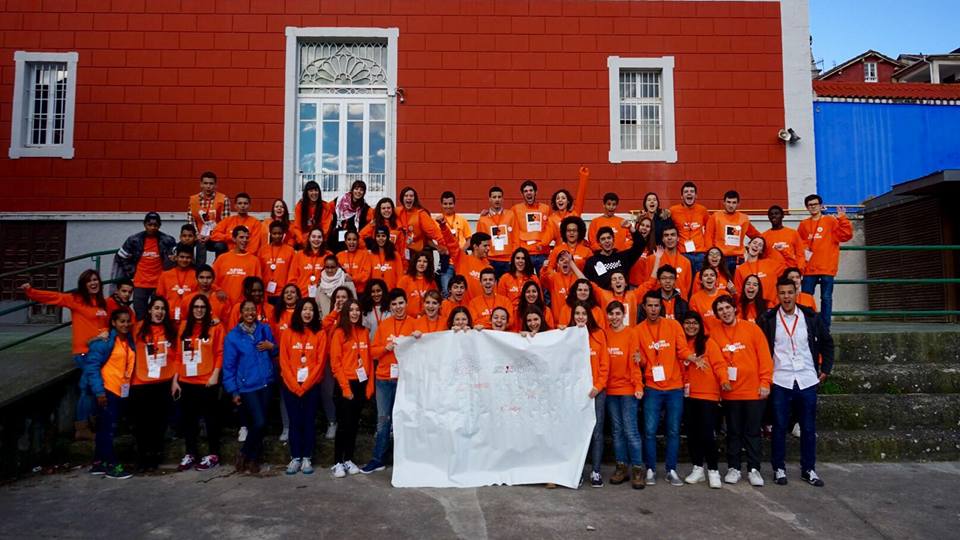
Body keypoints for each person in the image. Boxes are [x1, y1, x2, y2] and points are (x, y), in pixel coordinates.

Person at [758, 277, 834, 487]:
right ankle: (778, 468)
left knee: (808, 428)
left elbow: (827, 343)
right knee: (780, 426)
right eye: (782, 293)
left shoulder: (810, 317)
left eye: (790, 292)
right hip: (781, 379)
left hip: (806, 378)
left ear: (796, 293)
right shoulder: (768, 319)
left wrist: (826, 369)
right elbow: (761, 349)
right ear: (777, 295)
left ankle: (808, 469)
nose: (786, 297)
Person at [21, 270, 110, 440]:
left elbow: (105, 325)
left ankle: (90, 423)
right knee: (88, 389)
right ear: (83, 284)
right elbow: (53, 297)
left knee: (91, 386)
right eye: (89, 281)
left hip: (99, 352)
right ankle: (83, 426)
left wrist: (104, 333)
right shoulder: (75, 299)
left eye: (96, 280)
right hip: (84, 353)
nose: (93, 283)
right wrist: (31, 291)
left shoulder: (101, 303)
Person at [709, 295, 773, 487]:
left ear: (734, 308)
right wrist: (722, 381)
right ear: (716, 314)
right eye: (720, 310)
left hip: (753, 391)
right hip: (730, 393)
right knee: (734, 432)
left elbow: (764, 357)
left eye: (727, 307)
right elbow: (716, 362)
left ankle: (754, 469)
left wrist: (765, 382)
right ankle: (734, 467)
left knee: (753, 432)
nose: (725, 312)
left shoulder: (752, 329)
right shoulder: (714, 333)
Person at [634, 292, 695, 487]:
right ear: (644, 307)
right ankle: (650, 468)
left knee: (673, 430)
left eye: (656, 306)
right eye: (650, 306)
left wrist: (692, 357)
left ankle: (671, 469)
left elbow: (682, 349)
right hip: (652, 386)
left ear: (662, 307)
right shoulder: (638, 330)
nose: (653, 309)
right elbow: (642, 361)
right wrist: (639, 360)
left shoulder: (674, 325)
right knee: (650, 431)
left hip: (674, 387)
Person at [363, 289, 418, 474]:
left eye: (401, 303)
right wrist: (385, 348)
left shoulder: (414, 324)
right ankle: (378, 459)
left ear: (406, 303)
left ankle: (408, 460)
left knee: (407, 419)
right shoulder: (384, 325)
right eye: (394, 304)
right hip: (384, 379)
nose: (398, 307)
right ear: (390, 307)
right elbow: (373, 352)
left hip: (406, 379)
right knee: (383, 420)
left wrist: (419, 338)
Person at [222, 299, 277, 474]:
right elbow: (229, 366)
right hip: (247, 386)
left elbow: (276, 351)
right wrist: (233, 390)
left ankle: (254, 459)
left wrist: (271, 346)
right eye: (246, 310)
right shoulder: (233, 336)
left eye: (253, 309)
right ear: (241, 313)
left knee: (261, 423)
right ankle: (244, 452)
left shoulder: (264, 329)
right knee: (258, 422)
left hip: (266, 382)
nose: (250, 313)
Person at [81, 308, 136, 479]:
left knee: (105, 427)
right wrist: (99, 391)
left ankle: (99, 462)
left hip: (121, 390)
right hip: (107, 391)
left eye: (128, 321)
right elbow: (92, 368)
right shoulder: (104, 342)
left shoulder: (128, 341)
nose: (125, 324)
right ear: (113, 322)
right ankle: (112, 465)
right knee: (108, 429)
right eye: (122, 321)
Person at [173, 294, 224, 472]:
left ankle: (213, 454)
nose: (199, 310)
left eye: (203, 307)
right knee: (189, 420)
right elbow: (178, 355)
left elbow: (219, 352)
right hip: (186, 380)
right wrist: (175, 380)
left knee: (211, 419)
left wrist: (215, 375)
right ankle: (191, 453)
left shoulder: (215, 327)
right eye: (196, 307)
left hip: (207, 380)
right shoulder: (184, 327)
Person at [279, 298, 328, 475]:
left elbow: (320, 362)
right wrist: (294, 385)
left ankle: (307, 457)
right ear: (298, 312)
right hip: (290, 385)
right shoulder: (288, 333)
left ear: (315, 313)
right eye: (304, 309)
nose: (307, 313)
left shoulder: (320, 333)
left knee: (308, 421)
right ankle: (295, 457)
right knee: (294, 421)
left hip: (311, 385)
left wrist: (305, 385)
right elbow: (284, 361)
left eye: (311, 310)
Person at [131, 296, 179, 472]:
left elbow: (177, 357)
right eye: (156, 308)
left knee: (159, 422)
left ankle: (155, 455)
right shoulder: (137, 328)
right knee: (143, 423)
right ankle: (142, 456)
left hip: (164, 382)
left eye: (163, 309)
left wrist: (175, 380)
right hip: (141, 382)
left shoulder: (172, 330)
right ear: (150, 310)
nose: (160, 312)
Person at [679, 311, 726, 488]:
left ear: (700, 325)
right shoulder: (681, 345)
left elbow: (719, 365)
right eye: (687, 323)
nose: (691, 326)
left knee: (707, 434)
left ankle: (713, 470)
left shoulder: (708, 343)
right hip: (688, 395)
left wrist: (724, 381)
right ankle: (698, 468)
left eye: (694, 323)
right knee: (692, 434)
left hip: (708, 396)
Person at [330, 298, 375, 477]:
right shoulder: (339, 333)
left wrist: (369, 386)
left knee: (354, 425)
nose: (355, 313)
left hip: (360, 384)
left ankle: (348, 459)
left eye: (357, 310)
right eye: (351, 310)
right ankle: (337, 462)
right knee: (343, 425)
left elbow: (369, 359)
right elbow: (335, 363)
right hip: (345, 384)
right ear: (346, 313)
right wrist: (345, 389)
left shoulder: (364, 331)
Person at [603, 301, 645, 490]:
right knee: (617, 431)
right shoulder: (604, 333)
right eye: (611, 314)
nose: (614, 317)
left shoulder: (631, 333)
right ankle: (621, 466)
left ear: (623, 314)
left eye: (617, 313)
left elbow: (635, 361)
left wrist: (638, 385)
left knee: (631, 431)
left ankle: (637, 468)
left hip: (628, 389)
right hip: (610, 390)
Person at [569, 302, 610, 488]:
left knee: (597, 432)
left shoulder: (599, 334)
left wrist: (598, 386)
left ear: (589, 316)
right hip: (576, 393)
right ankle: (577, 471)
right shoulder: (567, 335)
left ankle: (596, 471)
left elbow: (604, 364)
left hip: (596, 392)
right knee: (576, 431)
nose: (580, 317)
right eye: (577, 313)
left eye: (583, 313)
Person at [798, 195, 853, 328]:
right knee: (806, 298)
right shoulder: (803, 224)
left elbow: (846, 235)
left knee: (826, 298)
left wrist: (842, 218)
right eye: (810, 205)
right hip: (809, 268)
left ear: (821, 205)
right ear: (806, 207)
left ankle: (825, 327)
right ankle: (808, 325)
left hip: (827, 267)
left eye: (815, 204)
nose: (813, 207)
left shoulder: (830, 221)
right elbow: (799, 245)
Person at [114, 211, 176, 318]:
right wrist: (132, 272)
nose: (152, 227)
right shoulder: (134, 240)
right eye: (149, 225)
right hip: (140, 283)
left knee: (158, 315)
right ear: (144, 225)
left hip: (159, 284)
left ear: (159, 225)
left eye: (155, 225)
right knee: (140, 314)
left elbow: (176, 259)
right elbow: (121, 256)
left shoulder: (168, 240)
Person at [704, 190, 761, 276]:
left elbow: (756, 235)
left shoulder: (744, 219)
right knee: (722, 284)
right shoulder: (715, 217)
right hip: (721, 258)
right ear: (724, 202)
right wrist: (711, 256)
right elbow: (708, 237)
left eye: (734, 203)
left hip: (738, 259)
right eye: (728, 202)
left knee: (738, 285)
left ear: (738, 204)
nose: (731, 205)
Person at [583, 225, 648, 290]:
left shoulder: (623, 257)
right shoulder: (592, 262)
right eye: (603, 239)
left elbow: (641, 244)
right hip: (603, 298)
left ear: (613, 240)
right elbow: (587, 284)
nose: (607, 241)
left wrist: (630, 228)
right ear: (599, 243)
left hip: (623, 298)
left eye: (609, 238)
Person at [439, 225, 492, 301]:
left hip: (479, 310)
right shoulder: (461, 259)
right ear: (475, 246)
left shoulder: (489, 268)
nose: (488, 248)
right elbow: (451, 243)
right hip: (463, 309)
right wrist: (443, 226)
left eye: (489, 246)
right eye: (485, 246)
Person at [639, 226, 692, 299]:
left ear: (678, 238)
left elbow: (687, 287)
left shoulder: (686, 262)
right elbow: (647, 284)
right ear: (663, 239)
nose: (669, 238)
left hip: (679, 304)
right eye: (666, 235)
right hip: (658, 305)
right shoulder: (652, 259)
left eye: (672, 235)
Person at [510, 180, 553, 272]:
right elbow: (510, 228)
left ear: (536, 192)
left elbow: (550, 229)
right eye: (525, 191)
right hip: (525, 254)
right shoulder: (515, 209)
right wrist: (488, 214)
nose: (528, 193)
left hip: (542, 253)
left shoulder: (545, 209)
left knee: (544, 283)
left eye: (531, 190)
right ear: (522, 194)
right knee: (525, 282)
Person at [211, 225, 261, 304]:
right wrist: (218, 290)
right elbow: (212, 280)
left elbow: (258, 286)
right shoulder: (222, 258)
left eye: (247, 238)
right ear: (234, 239)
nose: (244, 240)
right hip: (224, 304)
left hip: (244, 307)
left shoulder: (255, 261)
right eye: (241, 237)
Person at [476, 186, 517, 278]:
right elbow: (479, 243)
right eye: (494, 197)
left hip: (508, 259)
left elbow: (516, 237)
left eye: (499, 197)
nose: (497, 200)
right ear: (489, 199)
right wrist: (483, 260)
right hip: (490, 259)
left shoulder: (511, 215)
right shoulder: (483, 219)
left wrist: (514, 257)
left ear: (503, 199)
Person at [669, 181, 710, 273]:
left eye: (692, 191)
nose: (689, 193)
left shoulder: (702, 210)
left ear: (696, 196)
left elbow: (710, 230)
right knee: (684, 282)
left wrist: (707, 249)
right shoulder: (673, 210)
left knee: (699, 282)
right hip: (682, 253)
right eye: (686, 191)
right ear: (681, 196)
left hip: (700, 254)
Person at [437, 191, 472, 295]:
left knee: (464, 291)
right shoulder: (437, 221)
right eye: (445, 204)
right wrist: (437, 247)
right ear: (441, 204)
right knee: (447, 291)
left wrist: (462, 250)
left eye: (450, 203)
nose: (448, 206)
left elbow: (469, 239)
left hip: (461, 260)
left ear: (454, 204)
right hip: (446, 262)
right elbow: (429, 239)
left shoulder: (462, 220)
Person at [187, 171, 230, 255]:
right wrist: (197, 235)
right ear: (201, 184)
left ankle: (218, 267)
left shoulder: (223, 199)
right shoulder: (193, 200)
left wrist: (211, 236)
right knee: (185, 244)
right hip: (198, 235)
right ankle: (197, 268)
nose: (208, 186)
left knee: (221, 246)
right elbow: (191, 221)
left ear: (215, 185)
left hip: (216, 236)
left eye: (211, 183)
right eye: (205, 183)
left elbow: (225, 223)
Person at [734, 237, 784, 304]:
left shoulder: (769, 263)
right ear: (748, 245)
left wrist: (775, 249)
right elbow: (738, 293)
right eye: (754, 243)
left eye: (760, 245)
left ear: (761, 251)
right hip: (752, 309)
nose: (756, 245)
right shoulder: (740, 269)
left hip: (771, 308)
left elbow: (787, 265)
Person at [396, 186, 443, 257]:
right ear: (402, 198)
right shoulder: (398, 211)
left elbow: (434, 232)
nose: (408, 198)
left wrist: (444, 244)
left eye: (411, 196)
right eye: (406, 196)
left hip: (419, 252)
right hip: (403, 251)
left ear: (415, 199)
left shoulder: (421, 214)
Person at [155, 245, 198, 322]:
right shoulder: (165, 275)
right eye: (182, 257)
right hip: (168, 318)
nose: (184, 260)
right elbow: (160, 298)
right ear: (176, 257)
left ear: (191, 259)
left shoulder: (196, 275)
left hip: (188, 319)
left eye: (188, 257)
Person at [330, 180, 373, 252]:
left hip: (353, 242)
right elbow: (327, 210)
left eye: (361, 190)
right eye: (356, 189)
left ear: (364, 193)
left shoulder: (365, 208)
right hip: (336, 239)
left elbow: (372, 222)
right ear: (352, 190)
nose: (358, 191)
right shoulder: (340, 201)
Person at [545, 166, 589, 238]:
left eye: (563, 198)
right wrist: (541, 244)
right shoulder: (551, 219)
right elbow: (547, 237)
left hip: (575, 247)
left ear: (568, 201)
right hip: (559, 248)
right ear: (555, 202)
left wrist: (584, 176)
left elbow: (581, 196)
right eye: (558, 198)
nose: (560, 200)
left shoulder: (575, 214)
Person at [288, 228, 333, 297]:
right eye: (313, 236)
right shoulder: (299, 255)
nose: (316, 239)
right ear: (309, 238)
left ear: (323, 239)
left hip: (323, 296)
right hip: (302, 295)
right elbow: (292, 278)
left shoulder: (329, 255)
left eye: (319, 237)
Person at [259, 221, 296, 302]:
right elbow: (259, 272)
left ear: (283, 234)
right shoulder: (262, 250)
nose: (277, 236)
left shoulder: (290, 251)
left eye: (279, 233)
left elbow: (293, 272)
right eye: (274, 233)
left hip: (283, 293)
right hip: (266, 292)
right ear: (270, 234)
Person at [762, 205, 805, 271]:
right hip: (772, 273)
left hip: (790, 272)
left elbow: (800, 254)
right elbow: (763, 257)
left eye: (777, 213)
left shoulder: (793, 233)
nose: (774, 216)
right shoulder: (764, 236)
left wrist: (800, 269)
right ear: (768, 217)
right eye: (771, 214)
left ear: (782, 216)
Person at [397, 249, 438, 317]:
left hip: (425, 318)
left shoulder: (431, 282)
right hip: (408, 319)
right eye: (419, 261)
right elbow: (397, 301)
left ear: (428, 264)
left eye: (425, 261)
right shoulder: (404, 280)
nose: (422, 264)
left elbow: (436, 301)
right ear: (414, 263)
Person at [292, 180, 334, 247]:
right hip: (304, 242)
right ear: (306, 193)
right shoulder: (300, 206)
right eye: (311, 191)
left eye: (316, 190)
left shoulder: (325, 206)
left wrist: (317, 240)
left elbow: (325, 228)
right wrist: (304, 241)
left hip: (320, 241)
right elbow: (297, 227)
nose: (314, 193)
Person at [365, 225, 402, 290]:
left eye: (383, 236)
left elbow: (400, 275)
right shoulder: (370, 255)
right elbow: (368, 275)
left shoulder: (395, 254)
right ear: (375, 238)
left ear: (387, 237)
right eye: (378, 236)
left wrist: (397, 291)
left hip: (391, 292)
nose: (380, 238)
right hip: (376, 293)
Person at [336, 230, 371, 295]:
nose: (351, 242)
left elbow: (366, 274)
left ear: (358, 241)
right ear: (345, 241)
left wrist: (352, 278)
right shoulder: (339, 256)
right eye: (349, 239)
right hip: (344, 292)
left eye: (354, 239)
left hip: (361, 292)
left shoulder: (365, 254)